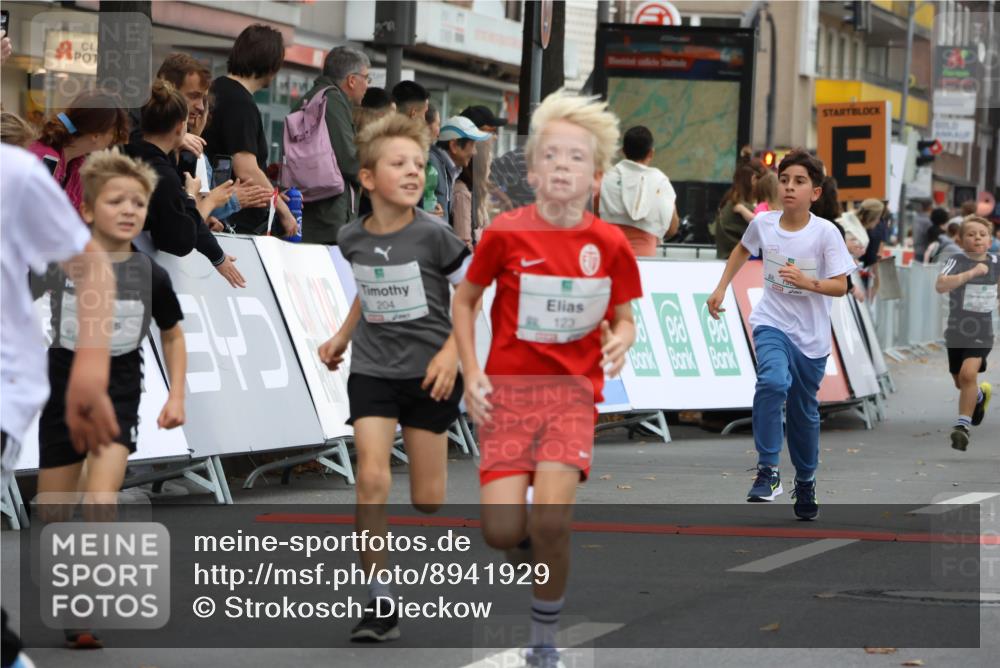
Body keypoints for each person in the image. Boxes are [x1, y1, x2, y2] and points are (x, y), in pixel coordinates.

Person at [452, 92, 642, 668]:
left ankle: (543, 640)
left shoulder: (609, 244)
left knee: (553, 519)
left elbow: (626, 317)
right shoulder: (506, 234)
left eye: (576, 157)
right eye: (551, 155)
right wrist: (471, 370)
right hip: (507, 398)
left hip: (571, 399)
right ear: (532, 172)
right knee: (501, 531)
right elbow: (465, 301)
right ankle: (535, 550)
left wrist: (621, 338)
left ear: (597, 177)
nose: (562, 165)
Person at [317, 114, 471, 643]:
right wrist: (342, 336)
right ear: (367, 178)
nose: (413, 172)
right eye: (398, 163)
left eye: (419, 164)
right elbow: (369, 285)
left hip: (431, 374)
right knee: (372, 478)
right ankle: (380, 601)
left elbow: (473, 297)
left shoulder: (436, 235)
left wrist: (451, 353)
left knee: (428, 498)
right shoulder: (351, 237)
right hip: (374, 370)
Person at [31, 149, 186, 648]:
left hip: (120, 393)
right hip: (62, 391)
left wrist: (176, 395)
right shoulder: (61, 264)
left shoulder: (151, 275)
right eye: (115, 200)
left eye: (138, 203)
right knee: (53, 510)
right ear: (87, 208)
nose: (128, 210)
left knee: (101, 499)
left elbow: (173, 334)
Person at [1, 143, 118, 668]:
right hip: (49, 382)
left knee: (98, 493)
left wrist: (91, 378)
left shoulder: (18, 178)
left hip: (60, 386)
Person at [707, 150, 855, 520]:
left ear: (815, 193)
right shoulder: (764, 223)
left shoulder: (826, 233)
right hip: (771, 322)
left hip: (811, 338)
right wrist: (721, 287)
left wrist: (808, 282)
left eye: (799, 182)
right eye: (785, 179)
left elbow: (841, 286)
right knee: (772, 382)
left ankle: (805, 480)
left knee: (804, 412)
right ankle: (768, 470)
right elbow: (742, 249)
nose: (789, 187)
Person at [124, 81, 245, 288]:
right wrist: (190, 196)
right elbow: (178, 240)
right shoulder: (163, 175)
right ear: (181, 127)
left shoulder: (125, 155)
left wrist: (217, 256)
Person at [149, 52, 271, 233]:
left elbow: (188, 214)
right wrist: (226, 201)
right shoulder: (151, 149)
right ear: (169, 92)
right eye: (193, 96)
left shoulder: (192, 152)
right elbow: (179, 225)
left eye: (204, 100)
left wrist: (204, 220)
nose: (200, 107)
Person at [203, 24, 295, 237]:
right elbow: (247, 170)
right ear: (271, 64)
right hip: (235, 223)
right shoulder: (240, 103)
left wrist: (272, 194)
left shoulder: (218, 88)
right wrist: (282, 210)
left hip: (216, 214)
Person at [935, 215, 998, 451]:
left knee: (968, 374)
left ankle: (962, 427)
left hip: (982, 330)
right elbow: (941, 285)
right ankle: (979, 397)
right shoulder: (956, 260)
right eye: (971, 235)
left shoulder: (996, 262)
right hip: (956, 330)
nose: (977, 238)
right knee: (960, 381)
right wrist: (971, 273)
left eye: (982, 234)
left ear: (990, 240)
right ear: (960, 241)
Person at [296, 46, 367, 245]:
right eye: (366, 78)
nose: (367, 85)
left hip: (312, 209)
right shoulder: (332, 102)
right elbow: (349, 159)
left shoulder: (312, 97)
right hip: (329, 216)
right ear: (352, 80)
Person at [28, 89, 130, 212]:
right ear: (96, 135)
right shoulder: (48, 160)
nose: (113, 139)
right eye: (114, 133)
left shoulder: (75, 162)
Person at [599, 125, 679, 257]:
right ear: (651, 153)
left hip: (612, 257)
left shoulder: (606, 179)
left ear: (623, 151)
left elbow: (594, 217)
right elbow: (672, 229)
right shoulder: (661, 183)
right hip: (646, 261)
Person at [428, 116, 490, 224]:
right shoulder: (432, 166)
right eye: (472, 144)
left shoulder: (446, 169)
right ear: (454, 145)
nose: (475, 152)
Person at [713, 152, 767, 259]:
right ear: (754, 180)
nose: (765, 187)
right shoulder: (742, 208)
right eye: (764, 182)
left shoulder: (732, 201)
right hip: (741, 264)